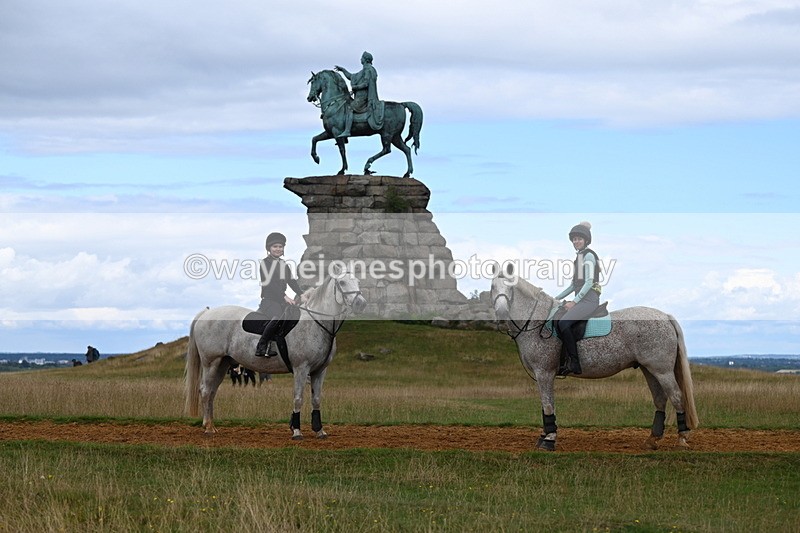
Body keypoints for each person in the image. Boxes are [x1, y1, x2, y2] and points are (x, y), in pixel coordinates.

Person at [554, 222, 603, 376]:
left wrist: (574, 302)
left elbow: (589, 282)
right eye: (574, 239)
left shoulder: (588, 256)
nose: (576, 241)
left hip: (589, 300)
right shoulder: (579, 258)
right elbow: (572, 286)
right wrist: (554, 299)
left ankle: (575, 363)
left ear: (586, 240)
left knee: (563, 323)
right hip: (581, 299)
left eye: (579, 239)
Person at [255, 232, 302, 357]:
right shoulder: (265, 263)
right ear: (269, 248)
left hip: (281, 301)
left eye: (280, 247)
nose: (278, 249)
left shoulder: (284, 264)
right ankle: (261, 346)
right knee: (277, 318)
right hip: (269, 300)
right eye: (275, 246)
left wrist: (301, 294)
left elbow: (291, 281)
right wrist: (284, 296)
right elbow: (270, 283)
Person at [334, 51, 384, 138]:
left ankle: (347, 131)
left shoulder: (368, 70)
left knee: (349, 108)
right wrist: (343, 70)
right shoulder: (364, 70)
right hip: (360, 96)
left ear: (365, 60)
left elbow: (366, 84)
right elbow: (351, 76)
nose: (360, 59)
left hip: (363, 97)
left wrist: (355, 87)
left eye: (362, 58)